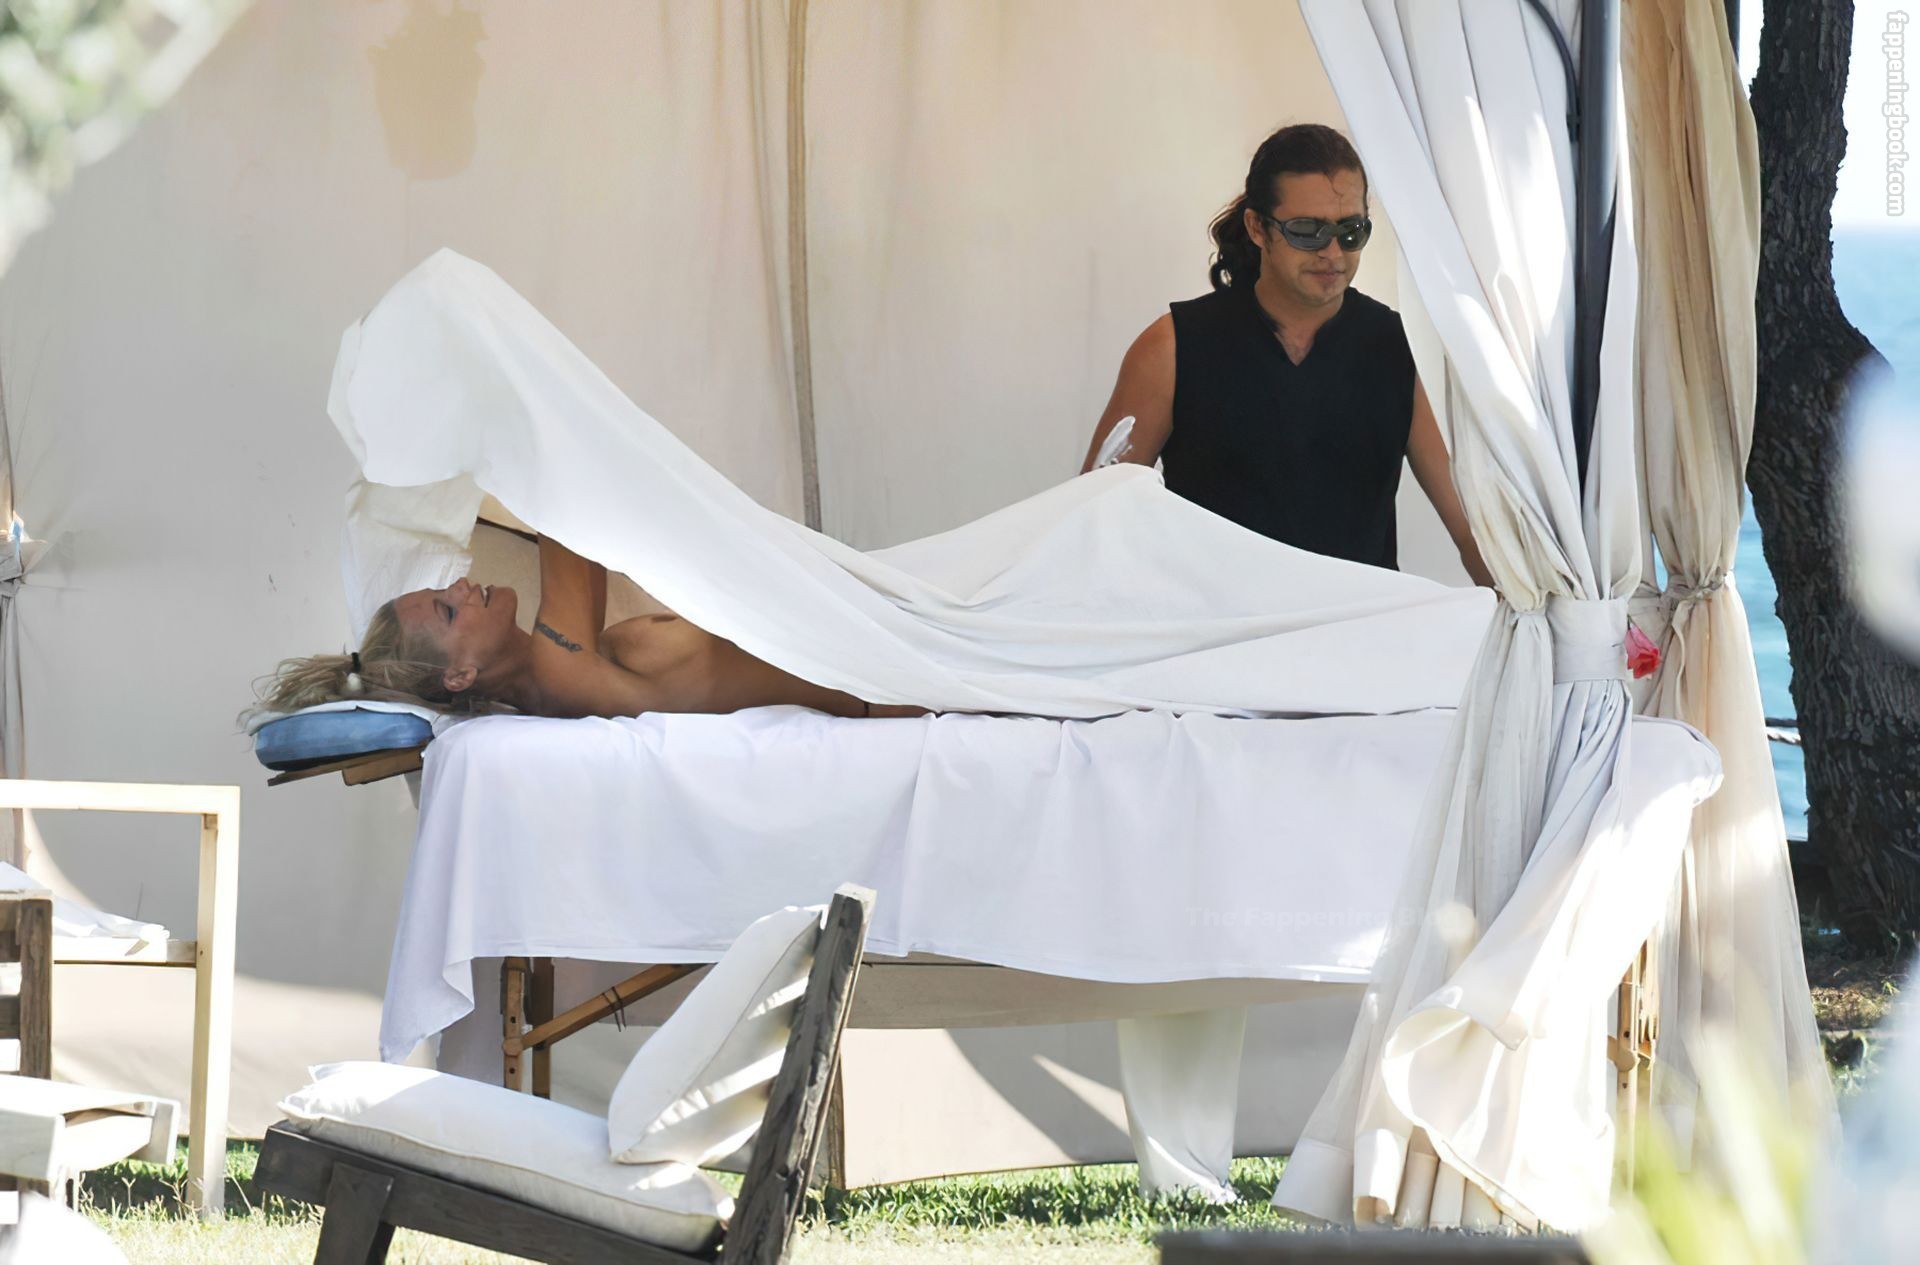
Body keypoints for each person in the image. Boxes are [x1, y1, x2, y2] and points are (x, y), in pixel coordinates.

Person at [1082, 124, 1493, 587]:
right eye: (1307, 231)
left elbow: (1474, 531)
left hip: (1358, 625)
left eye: (1351, 231)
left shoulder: (1403, 350)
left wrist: (1536, 620)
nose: (1332, 253)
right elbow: (1093, 517)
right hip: (1213, 627)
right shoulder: (1172, 347)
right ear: (1258, 228)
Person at [249, 536, 925, 721]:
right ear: (460, 675)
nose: (461, 586)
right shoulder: (559, 671)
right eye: (449, 610)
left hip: (880, 644)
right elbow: (569, 512)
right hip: (897, 677)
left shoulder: (568, 665)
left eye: (443, 591)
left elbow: (583, 522)